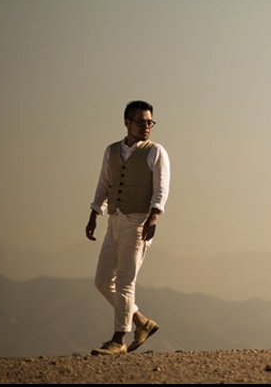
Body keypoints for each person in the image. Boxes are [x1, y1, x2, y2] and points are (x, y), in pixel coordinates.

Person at [85, 100, 170, 355]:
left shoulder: (156, 152)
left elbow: (162, 188)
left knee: (125, 280)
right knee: (102, 281)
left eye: (149, 122)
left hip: (138, 221)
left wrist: (154, 215)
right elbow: (103, 183)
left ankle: (119, 339)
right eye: (141, 122)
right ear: (127, 122)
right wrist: (94, 213)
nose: (146, 126)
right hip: (114, 219)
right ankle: (142, 322)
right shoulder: (111, 151)